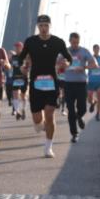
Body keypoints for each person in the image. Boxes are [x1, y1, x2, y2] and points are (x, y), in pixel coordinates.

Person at [13, 15, 72, 158]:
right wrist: (22, 67)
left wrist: (67, 64)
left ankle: (48, 147)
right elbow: (20, 59)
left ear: (50, 26)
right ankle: (40, 124)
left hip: (52, 83)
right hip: (35, 83)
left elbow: (68, 58)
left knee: (50, 115)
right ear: (37, 27)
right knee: (38, 121)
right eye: (41, 26)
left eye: (46, 25)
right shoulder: (31, 41)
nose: (43, 28)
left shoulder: (58, 42)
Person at [62, 32, 97, 143]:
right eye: (73, 42)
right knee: (70, 110)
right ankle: (74, 134)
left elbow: (94, 65)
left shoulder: (84, 51)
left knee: (82, 108)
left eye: (77, 43)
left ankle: (79, 116)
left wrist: (84, 67)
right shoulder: (65, 51)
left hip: (81, 84)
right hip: (68, 84)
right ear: (69, 41)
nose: (75, 45)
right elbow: (57, 63)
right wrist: (63, 64)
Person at [10, 40, 28, 120]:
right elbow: (9, 65)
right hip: (15, 78)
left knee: (23, 96)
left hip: (23, 78)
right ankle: (17, 111)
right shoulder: (13, 57)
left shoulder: (25, 57)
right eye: (16, 47)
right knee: (15, 95)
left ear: (22, 48)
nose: (17, 48)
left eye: (18, 47)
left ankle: (23, 109)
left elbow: (29, 66)